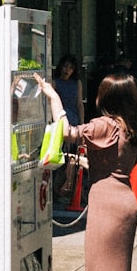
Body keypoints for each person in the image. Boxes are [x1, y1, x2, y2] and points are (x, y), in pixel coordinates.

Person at [35, 70, 137, 271]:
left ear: (106, 97)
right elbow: (118, 165)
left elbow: (66, 132)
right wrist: (87, 163)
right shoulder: (131, 126)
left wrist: (53, 98)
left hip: (106, 205)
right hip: (125, 201)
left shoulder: (106, 125)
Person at [52, 54, 85, 200]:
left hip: (73, 120)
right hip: (60, 121)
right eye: (65, 66)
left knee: (72, 155)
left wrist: (82, 123)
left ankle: (68, 187)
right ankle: (57, 188)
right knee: (60, 155)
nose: (67, 70)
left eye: (71, 68)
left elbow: (79, 103)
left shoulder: (77, 83)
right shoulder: (54, 82)